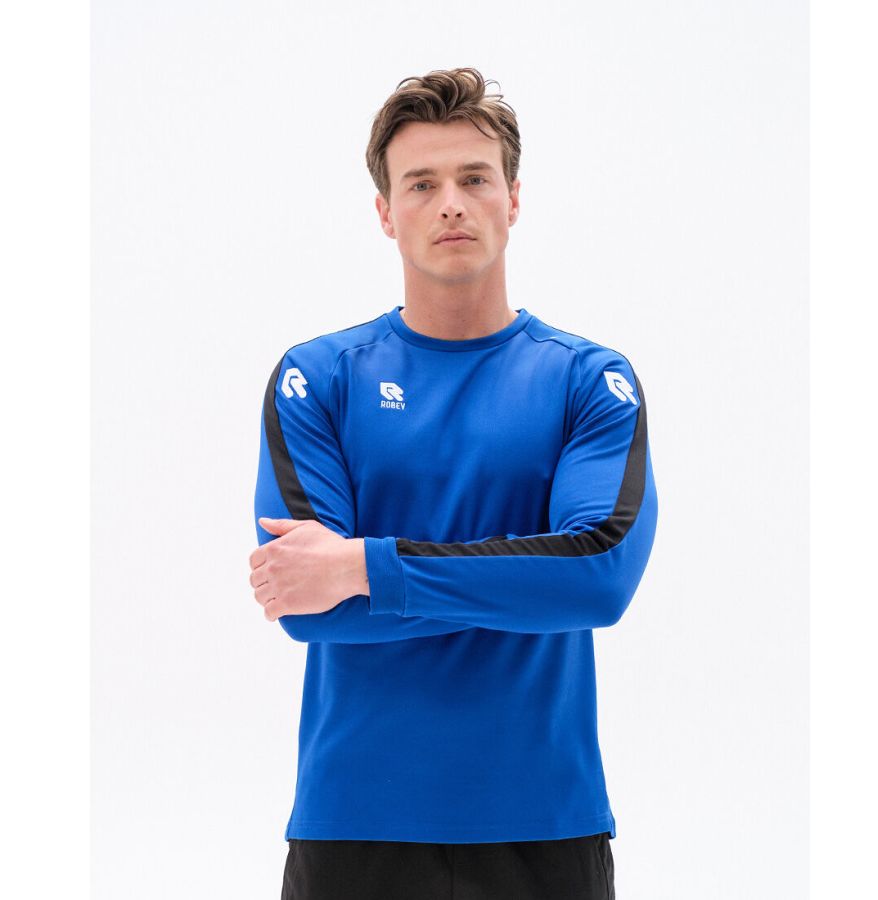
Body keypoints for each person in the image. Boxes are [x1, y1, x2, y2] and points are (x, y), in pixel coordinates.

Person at [249, 66, 657, 900]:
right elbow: (309, 608)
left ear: (513, 198)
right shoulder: (318, 379)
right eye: (421, 184)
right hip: (354, 824)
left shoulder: (588, 381)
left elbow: (597, 578)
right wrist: (523, 583)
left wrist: (364, 566)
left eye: (475, 178)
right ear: (385, 212)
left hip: (544, 824)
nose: (451, 204)